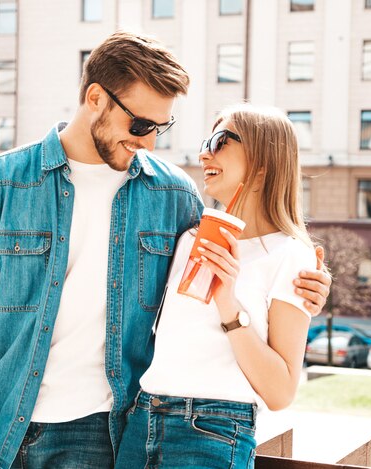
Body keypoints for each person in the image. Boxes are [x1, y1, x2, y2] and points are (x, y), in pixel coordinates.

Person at [0, 32, 331, 469]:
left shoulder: (175, 195)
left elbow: (249, 258)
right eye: (140, 125)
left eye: (161, 128)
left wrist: (308, 285)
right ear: (96, 98)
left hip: (101, 436)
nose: (149, 142)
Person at [116, 104, 318, 468]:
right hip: (142, 419)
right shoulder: (189, 237)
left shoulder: (290, 256)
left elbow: (280, 392)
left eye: (220, 140)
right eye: (207, 140)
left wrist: (229, 302)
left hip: (213, 429)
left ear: (263, 162)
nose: (204, 152)